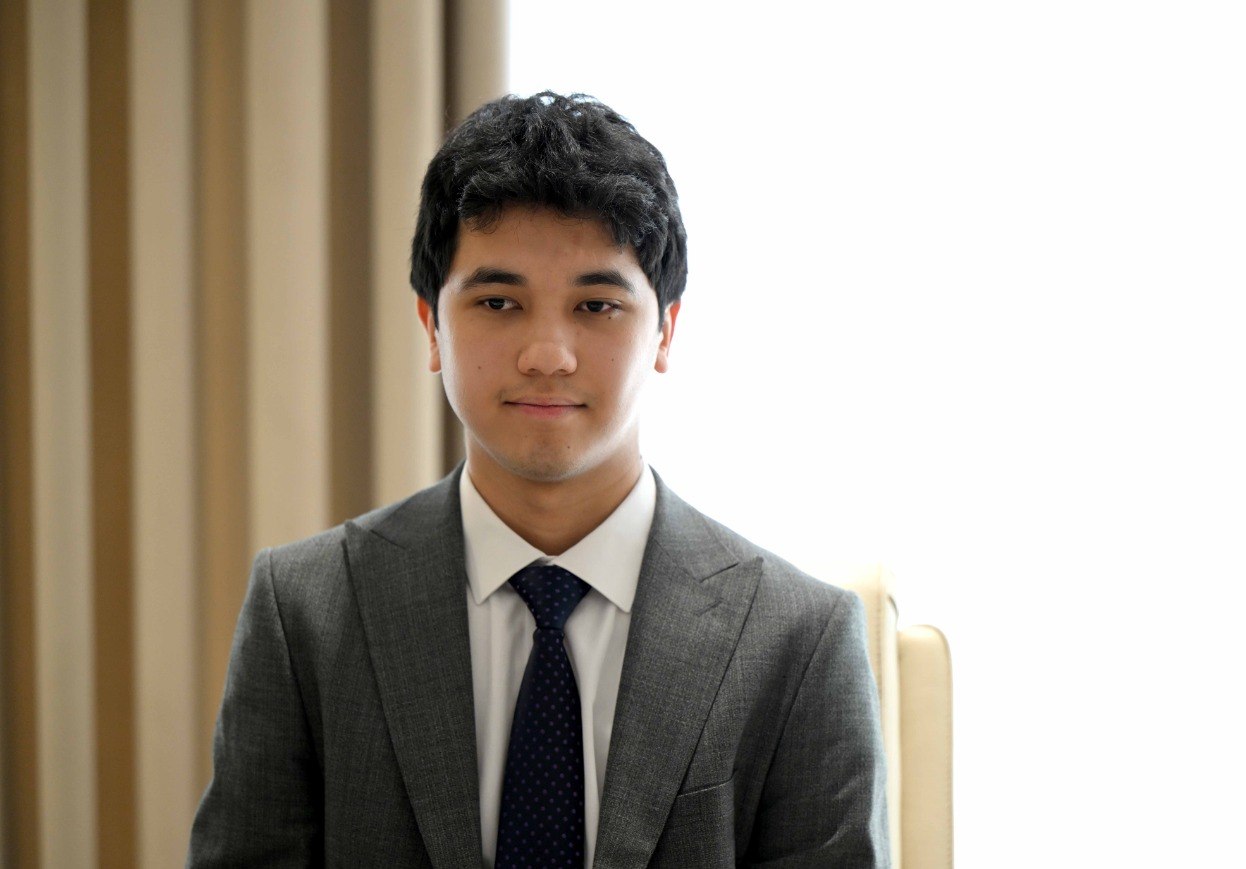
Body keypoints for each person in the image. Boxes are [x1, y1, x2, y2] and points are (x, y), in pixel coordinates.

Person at [188, 91, 889, 868]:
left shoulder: (800, 639)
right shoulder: (305, 613)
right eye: (498, 301)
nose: (547, 354)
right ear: (431, 326)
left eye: (597, 305)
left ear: (665, 331)